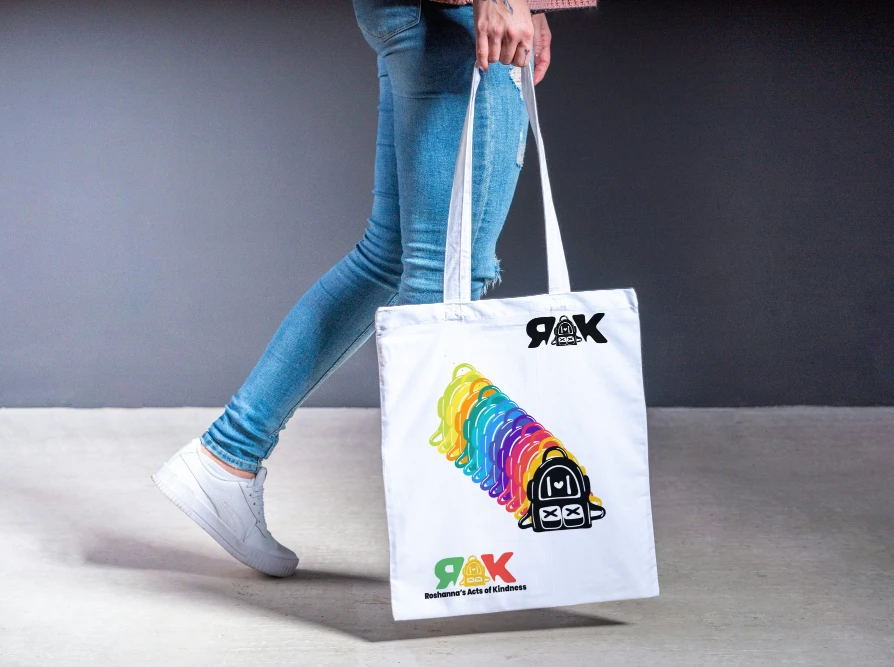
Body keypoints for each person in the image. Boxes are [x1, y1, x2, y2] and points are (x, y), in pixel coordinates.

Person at [151, 0, 597, 577]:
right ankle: (439, 554)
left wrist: (530, 5)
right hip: (454, 17)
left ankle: (227, 457)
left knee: (390, 260)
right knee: (447, 279)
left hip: (418, 13)